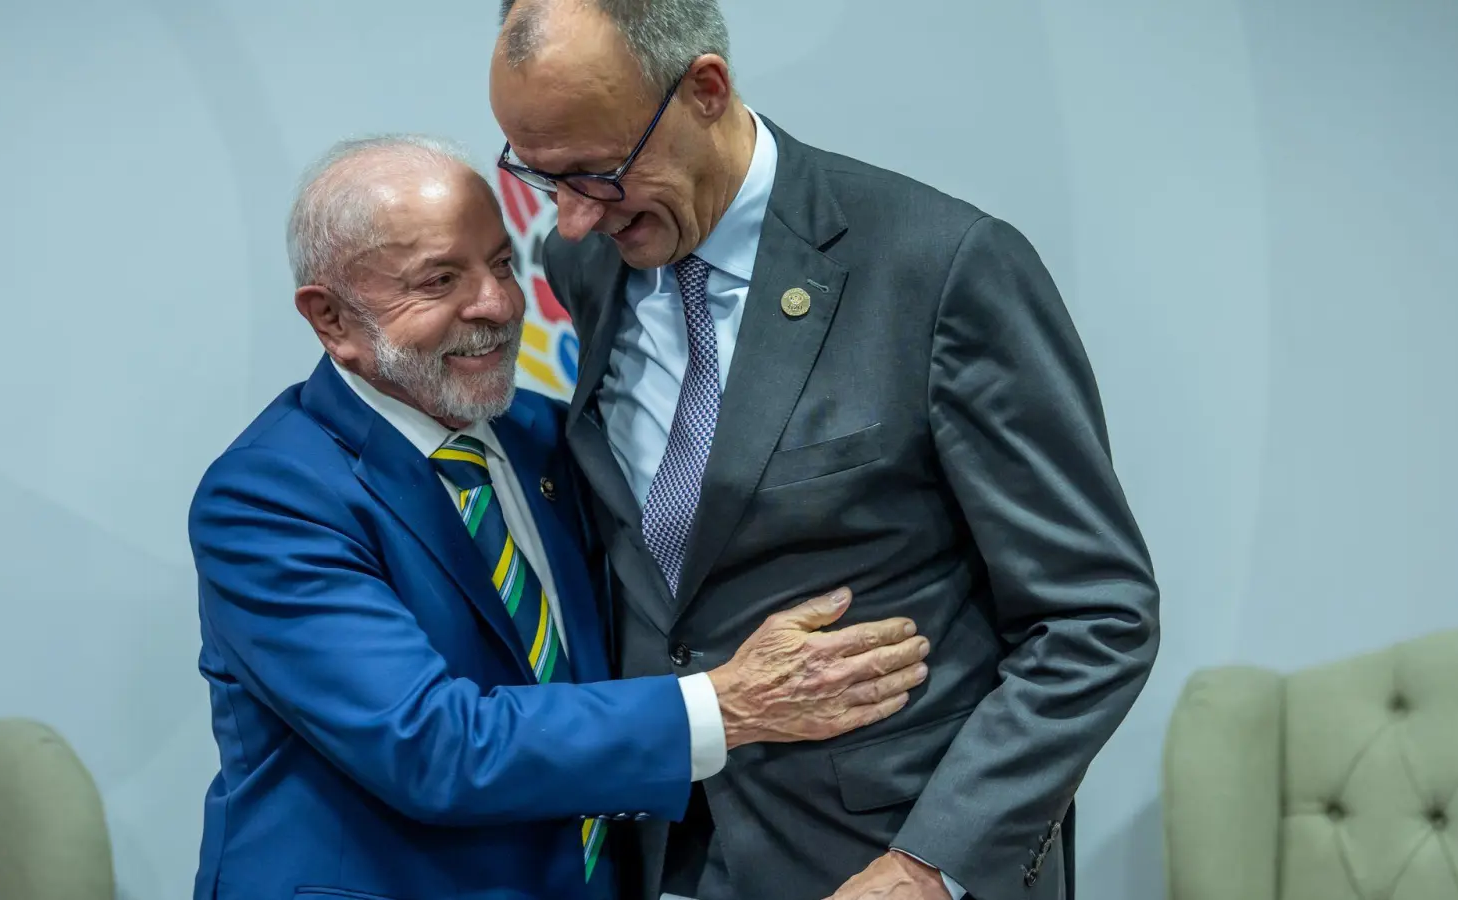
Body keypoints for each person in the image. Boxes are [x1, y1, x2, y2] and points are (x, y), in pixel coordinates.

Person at [488, 2, 1163, 899]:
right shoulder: (593, 260)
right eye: (541, 179)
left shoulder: (939, 268)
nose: (570, 221)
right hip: (664, 856)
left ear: (705, 91)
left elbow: (1096, 616)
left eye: (598, 174)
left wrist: (932, 865)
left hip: (879, 858)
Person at [186, 135, 932, 900]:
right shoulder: (268, 500)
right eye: (440, 280)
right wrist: (727, 704)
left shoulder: (547, 436)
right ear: (331, 319)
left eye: (503, 264)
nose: (498, 306)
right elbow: (432, 747)